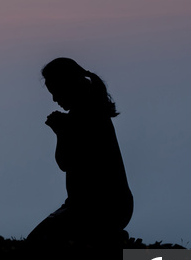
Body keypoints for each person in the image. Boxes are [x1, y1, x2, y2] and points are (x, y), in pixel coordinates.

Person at [27, 57, 133, 245]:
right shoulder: (88, 111)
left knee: (38, 242)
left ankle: (108, 239)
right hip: (104, 205)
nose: (54, 99)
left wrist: (60, 132)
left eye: (55, 91)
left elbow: (65, 162)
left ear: (67, 85)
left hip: (97, 207)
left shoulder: (85, 116)